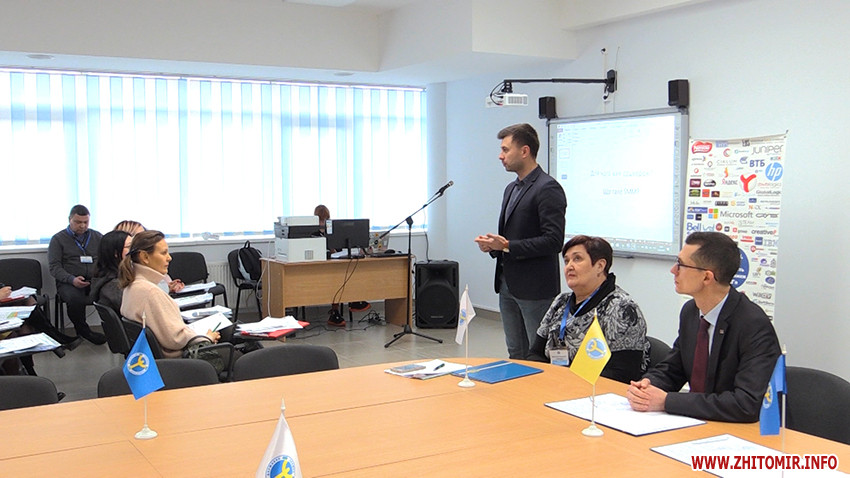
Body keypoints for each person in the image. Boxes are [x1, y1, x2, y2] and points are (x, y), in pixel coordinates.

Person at [626, 231, 781, 422]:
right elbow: (674, 368)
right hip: (700, 422)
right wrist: (648, 385)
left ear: (707, 277)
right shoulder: (690, 311)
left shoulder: (753, 324)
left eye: (681, 264)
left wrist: (667, 401)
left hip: (739, 430)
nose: (673, 270)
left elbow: (746, 403)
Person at [474, 123, 567, 359]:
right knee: (516, 352)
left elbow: (553, 241)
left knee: (539, 355)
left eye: (505, 149)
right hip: (507, 284)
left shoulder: (547, 188)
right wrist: (494, 247)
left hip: (535, 289)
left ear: (525, 151)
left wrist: (507, 246)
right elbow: (512, 236)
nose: (500, 155)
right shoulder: (511, 189)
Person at [526, 236, 649, 383]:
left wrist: (567, 381)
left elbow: (622, 375)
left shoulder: (622, 308)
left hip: (595, 391)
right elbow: (535, 354)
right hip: (554, 384)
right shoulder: (561, 301)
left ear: (600, 266)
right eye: (566, 261)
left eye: (577, 259)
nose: (569, 266)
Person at [119, 230, 219, 358]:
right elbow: (176, 339)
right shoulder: (151, 292)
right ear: (145, 257)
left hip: (152, 359)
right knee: (237, 355)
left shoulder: (132, 285)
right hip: (180, 359)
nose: (169, 258)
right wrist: (206, 337)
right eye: (163, 253)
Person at [47, 204, 106, 345]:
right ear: (70, 220)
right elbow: (54, 267)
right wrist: (72, 279)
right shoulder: (58, 239)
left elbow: (107, 259)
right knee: (74, 299)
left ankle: (115, 329)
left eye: (86, 222)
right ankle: (84, 331)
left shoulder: (97, 237)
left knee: (113, 293)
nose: (82, 226)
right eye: (78, 222)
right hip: (69, 281)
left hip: (94, 280)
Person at [90, 230, 131, 314]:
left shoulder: (105, 276)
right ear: (116, 253)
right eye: (129, 246)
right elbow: (132, 309)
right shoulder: (113, 285)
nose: (134, 250)